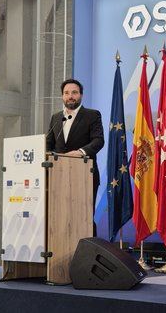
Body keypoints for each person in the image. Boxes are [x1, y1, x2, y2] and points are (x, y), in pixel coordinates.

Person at [46, 78, 104, 235]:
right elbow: (48, 144)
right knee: (60, 216)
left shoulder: (92, 115)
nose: (70, 96)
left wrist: (80, 153)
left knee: (83, 216)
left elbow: (98, 141)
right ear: (62, 97)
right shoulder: (56, 118)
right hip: (58, 175)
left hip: (85, 174)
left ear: (81, 95)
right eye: (66, 93)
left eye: (74, 92)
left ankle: (88, 254)